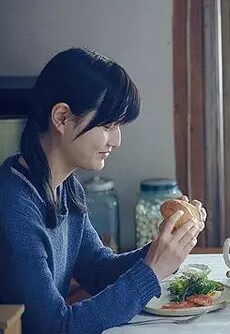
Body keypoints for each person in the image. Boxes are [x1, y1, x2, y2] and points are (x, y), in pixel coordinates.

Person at [0, 48, 207, 334]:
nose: (117, 140)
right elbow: (55, 327)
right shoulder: (13, 206)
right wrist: (152, 270)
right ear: (61, 117)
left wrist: (166, 247)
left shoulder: (65, 186)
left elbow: (98, 270)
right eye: (108, 125)